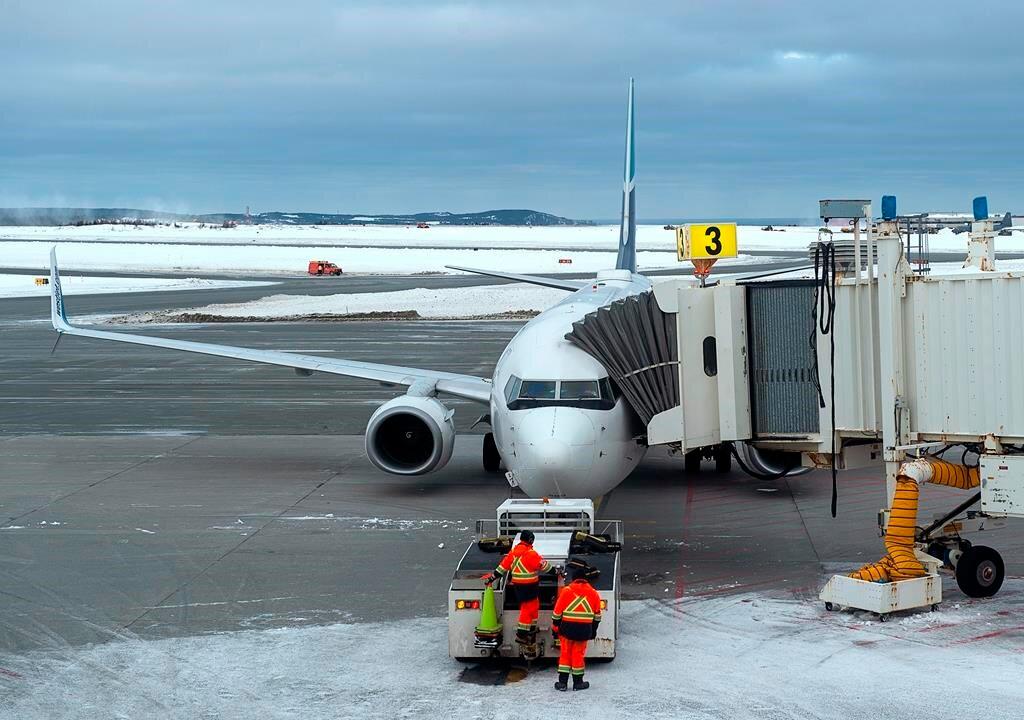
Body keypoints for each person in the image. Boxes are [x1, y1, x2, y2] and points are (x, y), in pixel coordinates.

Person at [485, 529, 551, 643]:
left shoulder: (513, 553)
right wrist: (556, 571)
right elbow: (544, 566)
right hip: (529, 586)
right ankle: (522, 634)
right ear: (530, 540)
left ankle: (531, 628)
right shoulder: (531, 554)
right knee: (527, 608)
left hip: (519, 586)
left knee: (534, 605)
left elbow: (502, 568)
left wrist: (492, 577)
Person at [551, 560, 602, 691]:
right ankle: (578, 683)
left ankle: (562, 683)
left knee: (565, 654)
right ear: (586, 579)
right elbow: (597, 616)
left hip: (567, 629)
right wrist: (593, 630)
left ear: (573, 579)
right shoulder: (594, 593)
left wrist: (556, 627)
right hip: (584, 630)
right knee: (578, 655)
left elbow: (557, 613)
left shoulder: (566, 591)